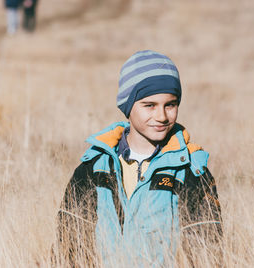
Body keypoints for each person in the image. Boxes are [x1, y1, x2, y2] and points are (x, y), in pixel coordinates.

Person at [55, 50, 222, 267]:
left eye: (170, 104)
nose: (161, 116)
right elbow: (67, 246)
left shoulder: (190, 171)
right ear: (127, 105)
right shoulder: (94, 169)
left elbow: (208, 251)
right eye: (149, 105)